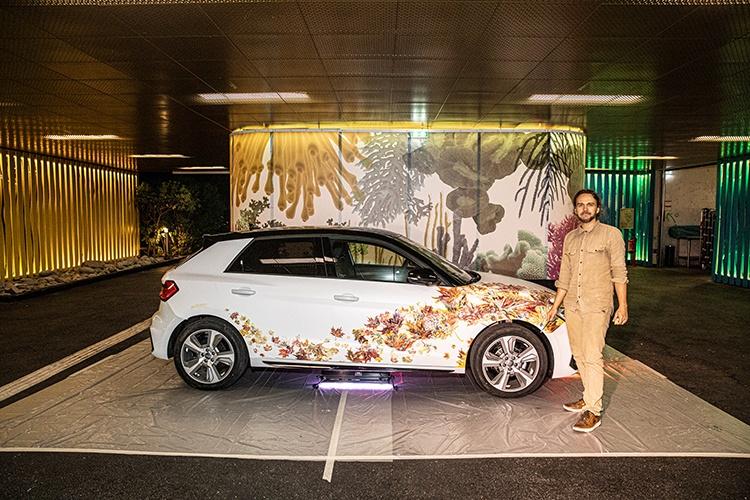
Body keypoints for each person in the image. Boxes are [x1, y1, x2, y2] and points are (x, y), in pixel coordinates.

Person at [545, 189, 629, 433]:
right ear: (575, 209)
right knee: (579, 354)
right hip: (573, 304)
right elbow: (565, 275)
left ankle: (594, 410)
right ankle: (588, 396)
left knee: (592, 355)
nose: (585, 209)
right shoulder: (570, 238)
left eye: (590, 204)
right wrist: (555, 306)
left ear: (598, 208)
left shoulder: (611, 235)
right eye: (581, 205)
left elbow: (619, 272)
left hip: (597, 304)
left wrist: (623, 305)